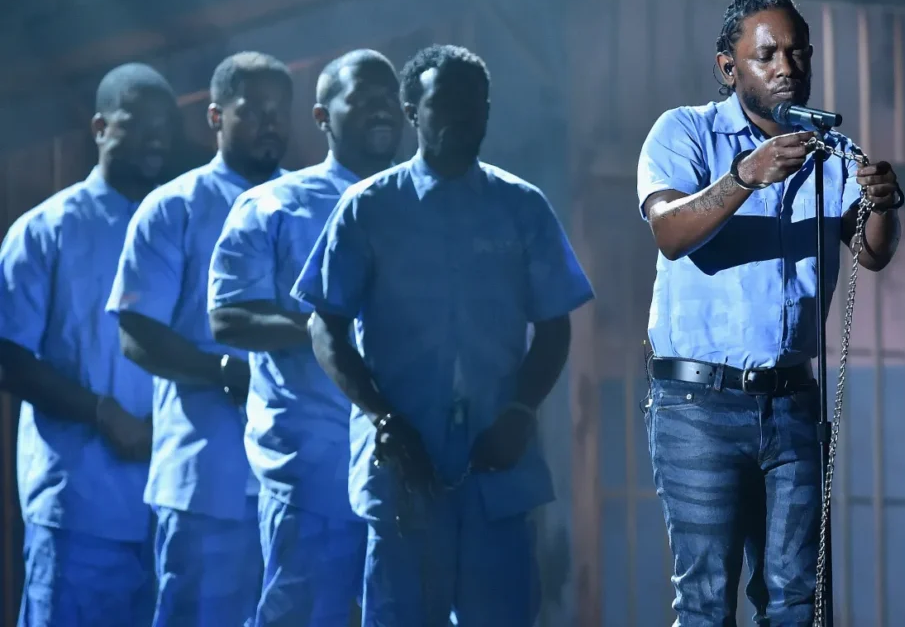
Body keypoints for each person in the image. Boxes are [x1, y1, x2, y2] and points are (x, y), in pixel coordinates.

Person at [292, 44, 593, 626]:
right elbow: (324, 324)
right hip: (407, 471)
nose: (462, 119)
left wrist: (521, 411)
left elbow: (555, 325)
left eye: (474, 106)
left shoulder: (521, 207)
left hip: (497, 468)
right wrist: (384, 418)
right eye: (444, 105)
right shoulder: (368, 209)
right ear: (412, 110)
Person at [637, 0, 904, 626]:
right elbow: (670, 231)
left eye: (797, 52)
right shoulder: (685, 130)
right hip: (698, 407)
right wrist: (742, 178)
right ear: (730, 67)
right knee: (704, 602)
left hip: (791, 406)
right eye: (767, 55)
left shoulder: (829, 151)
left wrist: (884, 204)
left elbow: (871, 253)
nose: (787, 67)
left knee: (798, 602)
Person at [207, 50, 403, 626]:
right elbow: (228, 318)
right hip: (310, 462)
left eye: (389, 98)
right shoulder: (273, 204)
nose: (380, 110)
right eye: (361, 98)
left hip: (403, 463)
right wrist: (323, 332)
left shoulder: (421, 203)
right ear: (322, 118)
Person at [107, 51, 294, 627]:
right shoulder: (174, 208)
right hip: (206, 480)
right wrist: (223, 372)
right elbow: (137, 334)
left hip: (296, 478)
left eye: (279, 110)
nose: (270, 122)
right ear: (215, 117)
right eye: (252, 110)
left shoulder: (314, 203)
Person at [0, 63, 178, 626]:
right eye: (137, 122)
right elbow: (7, 356)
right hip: (80, 506)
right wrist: (102, 413)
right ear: (100, 127)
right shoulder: (45, 230)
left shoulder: (178, 227)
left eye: (164, 125)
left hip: (172, 506)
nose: (155, 136)